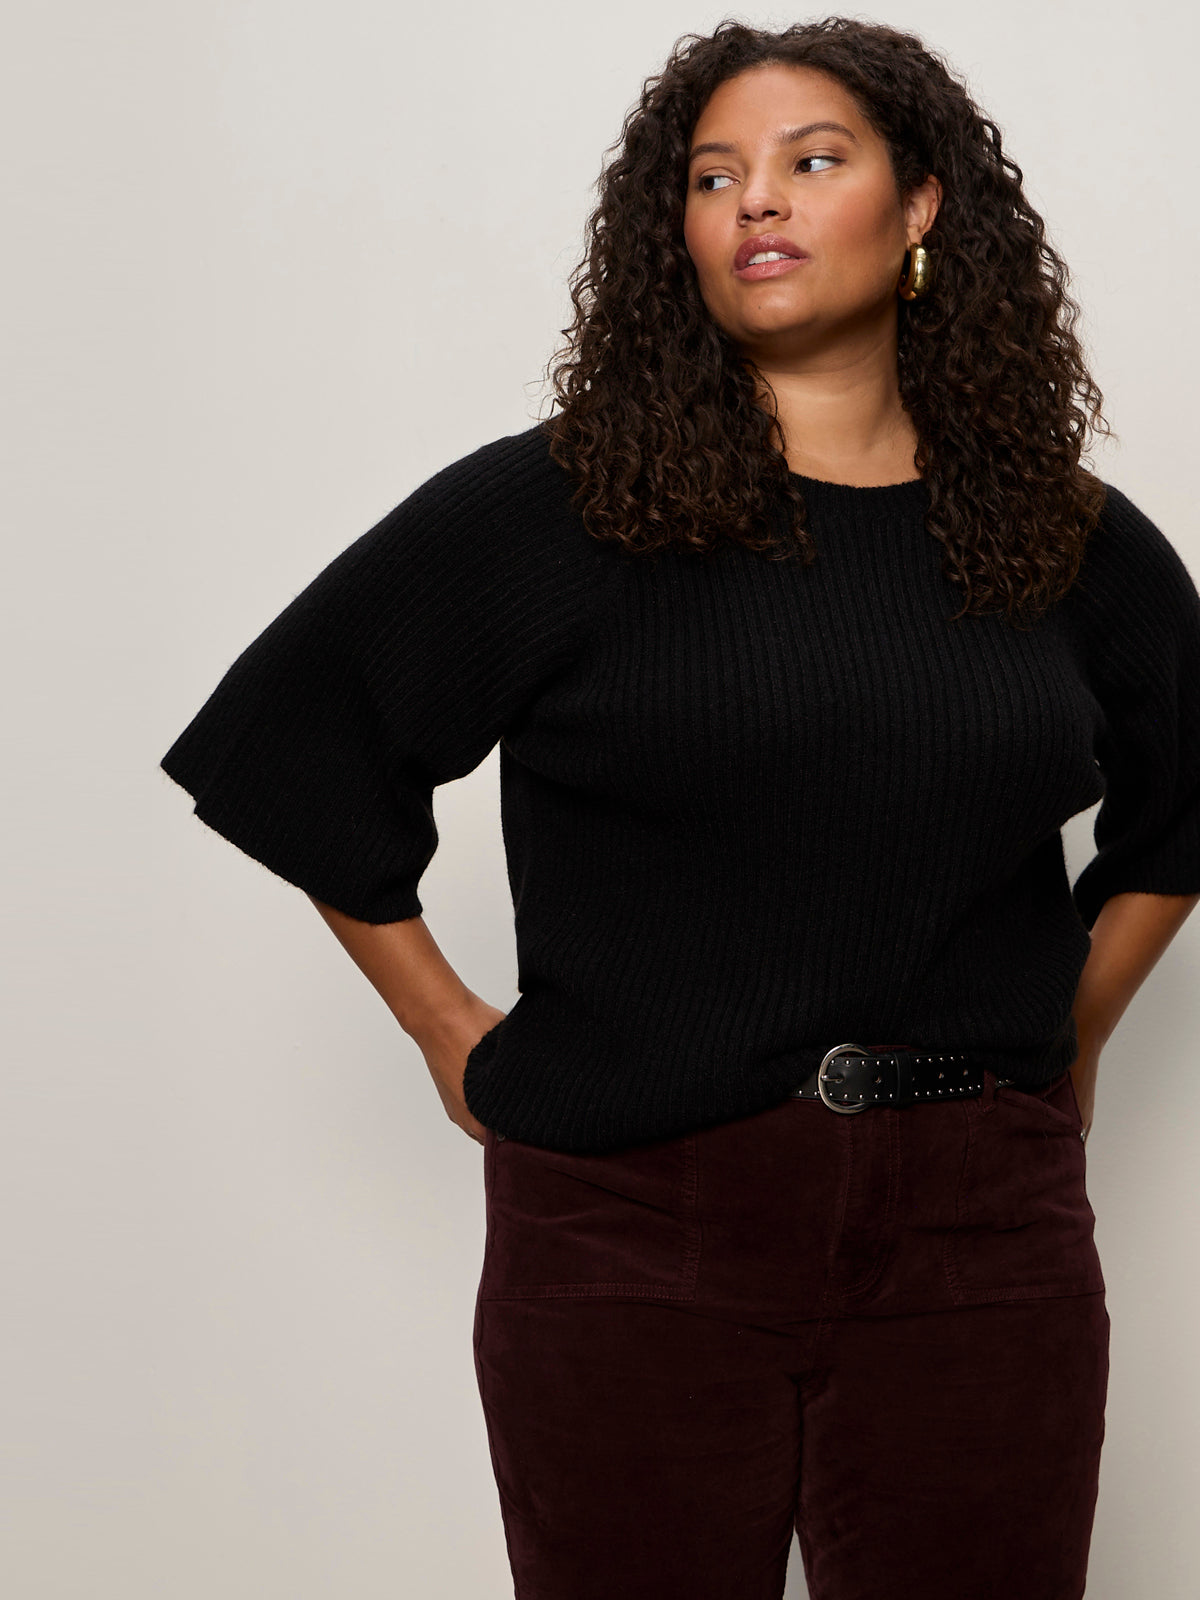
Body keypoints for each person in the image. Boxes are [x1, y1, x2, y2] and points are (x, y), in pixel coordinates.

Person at [158, 17, 1200, 1599]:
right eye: (715, 179)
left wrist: (1078, 1030)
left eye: (811, 162)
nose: (755, 203)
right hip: (635, 1230)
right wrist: (452, 1033)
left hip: (982, 1241)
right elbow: (297, 744)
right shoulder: (572, 508)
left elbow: (1188, 795)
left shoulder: (1057, 534)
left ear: (922, 206)